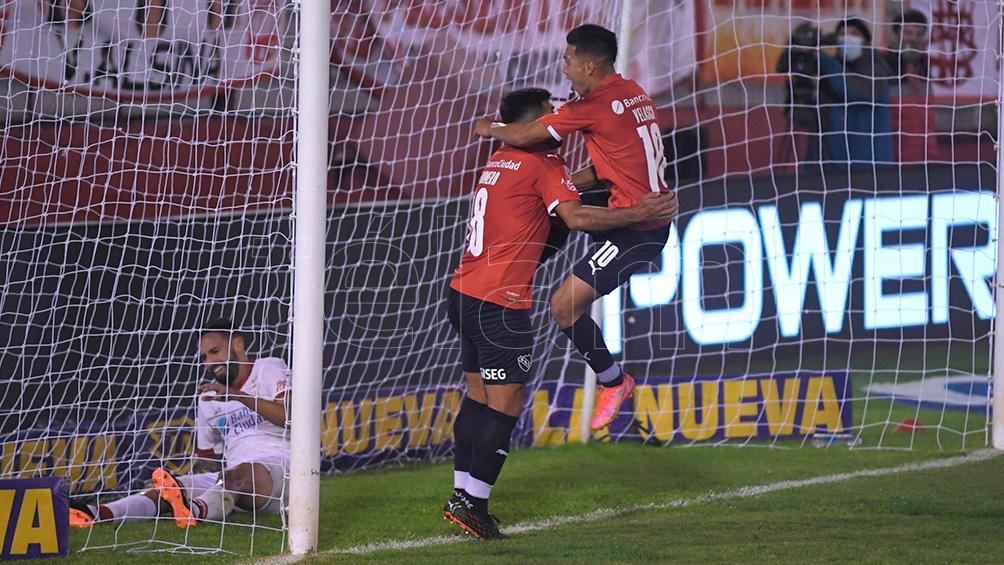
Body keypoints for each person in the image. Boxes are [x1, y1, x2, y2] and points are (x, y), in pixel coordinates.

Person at [447, 87, 676, 539]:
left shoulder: (501, 158)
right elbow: (577, 220)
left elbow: (557, 211)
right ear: (532, 125)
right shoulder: (542, 165)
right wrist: (637, 210)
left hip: (460, 292)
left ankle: (461, 494)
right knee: (506, 404)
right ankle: (473, 504)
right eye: (549, 115)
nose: (556, 120)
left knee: (476, 397)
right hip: (500, 302)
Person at [474, 24, 672, 434]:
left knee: (563, 306)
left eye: (567, 60)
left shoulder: (594, 104)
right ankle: (521, 268)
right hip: (636, 208)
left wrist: (490, 128)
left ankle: (614, 382)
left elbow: (528, 132)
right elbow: (609, 167)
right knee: (553, 203)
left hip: (638, 229)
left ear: (589, 64)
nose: (563, 69)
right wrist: (560, 184)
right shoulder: (631, 92)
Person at [69, 319, 290, 528]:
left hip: (279, 472)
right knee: (168, 489)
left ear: (238, 344)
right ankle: (99, 513)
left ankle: (194, 511)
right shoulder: (208, 398)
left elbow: (289, 417)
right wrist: (194, 481)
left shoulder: (269, 367)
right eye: (204, 357)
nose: (209, 363)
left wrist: (237, 396)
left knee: (236, 476)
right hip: (231, 480)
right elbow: (207, 460)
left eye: (215, 352)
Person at [817, 17, 893, 167]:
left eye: (854, 33)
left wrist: (822, 59)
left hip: (871, 168)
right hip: (835, 167)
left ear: (865, 41)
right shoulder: (829, 73)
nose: (847, 38)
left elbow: (856, 92)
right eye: (842, 34)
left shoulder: (876, 69)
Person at [884, 9, 930, 97]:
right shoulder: (882, 63)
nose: (914, 38)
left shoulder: (928, 64)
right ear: (895, 35)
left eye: (920, 34)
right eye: (908, 33)